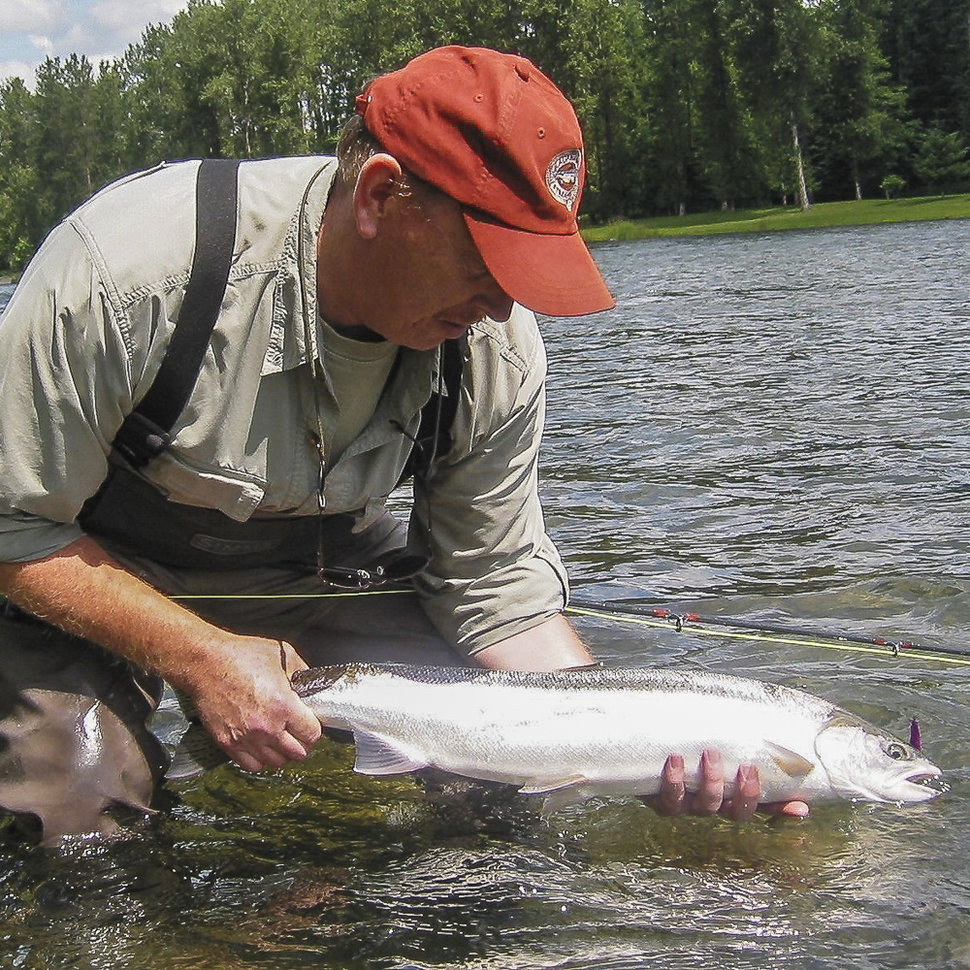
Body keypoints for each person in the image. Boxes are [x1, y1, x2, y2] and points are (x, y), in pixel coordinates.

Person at [0, 45, 805, 841]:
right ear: (382, 197)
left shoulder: (493, 345)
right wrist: (201, 656)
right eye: (490, 259)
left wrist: (628, 745)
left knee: (489, 768)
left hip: (319, 563)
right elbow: (12, 525)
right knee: (77, 811)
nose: (501, 307)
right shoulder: (129, 275)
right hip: (86, 558)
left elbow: (491, 585)